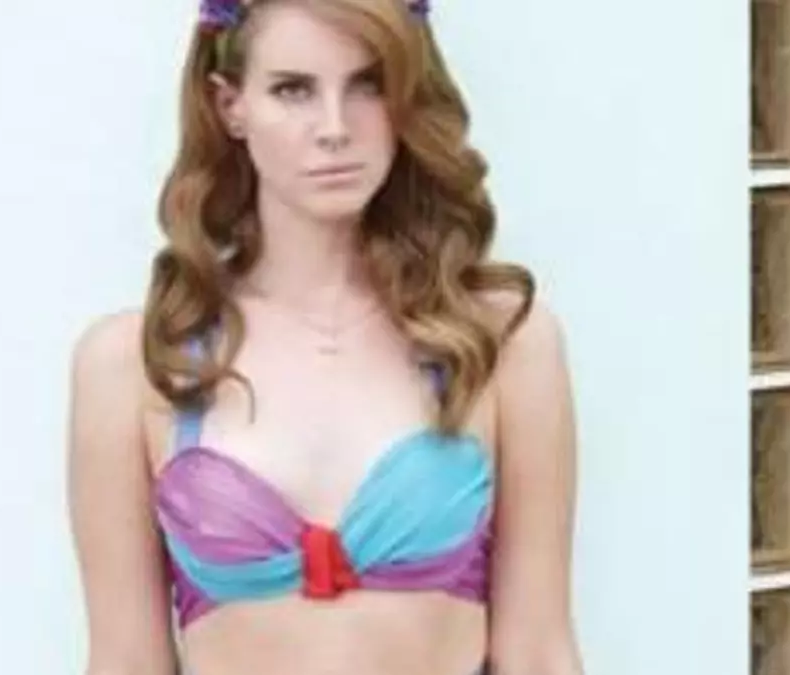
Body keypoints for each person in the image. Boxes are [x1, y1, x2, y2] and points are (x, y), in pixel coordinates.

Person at [67, 0, 584, 673]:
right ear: (230, 106)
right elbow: (125, 662)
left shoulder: (503, 343)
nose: (335, 129)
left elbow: (539, 652)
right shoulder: (133, 365)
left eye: (368, 84)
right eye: (293, 90)